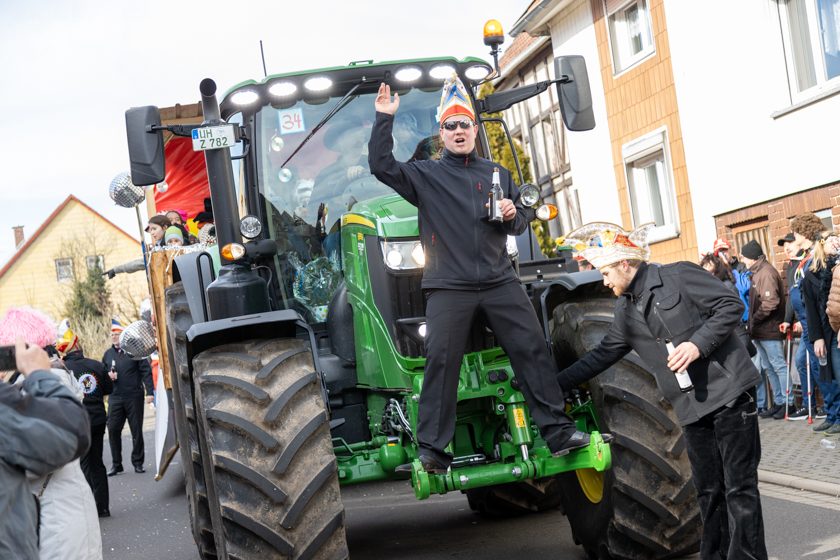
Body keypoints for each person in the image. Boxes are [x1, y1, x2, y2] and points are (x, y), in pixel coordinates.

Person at [368, 77, 597, 473]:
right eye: (451, 126)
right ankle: (434, 453)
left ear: (476, 130)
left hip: (498, 281)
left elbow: (518, 223)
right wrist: (384, 118)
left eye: (465, 124)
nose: (459, 131)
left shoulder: (497, 172)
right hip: (449, 286)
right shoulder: (426, 176)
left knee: (532, 348)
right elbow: (381, 166)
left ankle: (558, 433)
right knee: (441, 360)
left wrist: (515, 214)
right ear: (441, 134)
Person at [559, 222, 766, 559]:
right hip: (691, 410)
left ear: (625, 263)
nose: (604, 280)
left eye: (607, 272)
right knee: (709, 492)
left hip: (729, 396)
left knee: (739, 490)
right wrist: (554, 384)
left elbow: (731, 306)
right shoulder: (625, 310)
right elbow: (602, 354)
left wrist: (697, 345)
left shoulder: (680, 275)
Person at [0, 307, 102, 560]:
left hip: (55, 518)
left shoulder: (38, 384)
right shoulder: (38, 384)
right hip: (55, 513)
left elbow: (46, 450)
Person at [58, 321, 114, 517]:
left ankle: (88, 508)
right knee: (97, 462)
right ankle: (103, 507)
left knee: (84, 465)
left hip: (77, 422)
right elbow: (109, 389)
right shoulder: (96, 365)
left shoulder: (64, 371)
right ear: (78, 346)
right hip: (98, 419)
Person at [740, 240, 790, 418]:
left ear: (752, 258)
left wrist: (754, 319)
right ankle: (779, 402)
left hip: (768, 329)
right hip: (761, 330)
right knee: (769, 368)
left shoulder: (766, 273)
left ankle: (788, 402)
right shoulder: (757, 272)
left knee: (778, 366)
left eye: (744, 256)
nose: (742, 259)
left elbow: (771, 303)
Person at [781, 218, 824, 419]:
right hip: (803, 321)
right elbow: (793, 294)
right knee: (804, 364)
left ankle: (822, 406)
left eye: (789, 242)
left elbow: (809, 292)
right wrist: (789, 319)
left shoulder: (807, 260)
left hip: (810, 320)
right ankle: (812, 405)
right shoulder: (792, 265)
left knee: (816, 363)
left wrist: (799, 318)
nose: (786, 248)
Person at [103, 319, 154, 475]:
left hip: (133, 396)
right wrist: (107, 376)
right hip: (115, 397)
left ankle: (138, 463)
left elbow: (146, 371)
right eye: (112, 334)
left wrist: (150, 392)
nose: (114, 337)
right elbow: (102, 373)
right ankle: (116, 464)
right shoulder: (107, 354)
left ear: (123, 335)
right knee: (113, 429)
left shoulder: (133, 349)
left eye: (117, 334)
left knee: (136, 430)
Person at [802, 230, 840, 435]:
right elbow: (811, 310)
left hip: (837, 329)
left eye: (838, 240)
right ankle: (834, 415)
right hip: (825, 332)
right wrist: (817, 338)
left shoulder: (838, 267)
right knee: (829, 376)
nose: (836, 243)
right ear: (821, 244)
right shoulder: (811, 275)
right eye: (832, 240)